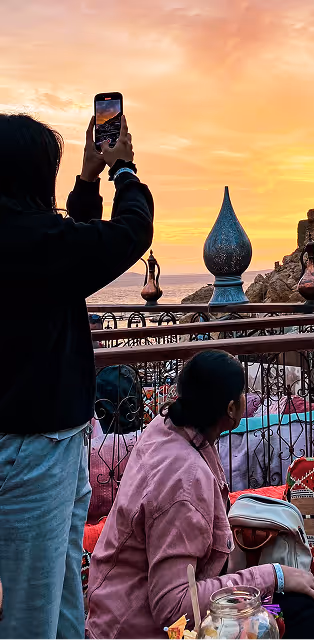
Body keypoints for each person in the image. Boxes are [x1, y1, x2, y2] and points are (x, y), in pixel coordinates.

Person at [0, 113, 154, 640]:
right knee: (32, 611)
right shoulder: (35, 241)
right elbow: (129, 231)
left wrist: (87, 181)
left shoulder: (34, 241)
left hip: (49, 443)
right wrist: (124, 169)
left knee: (63, 585)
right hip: (33, 450)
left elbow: (75, 244)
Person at [86, 350, 314, 640]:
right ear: (232, 409)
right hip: (136, 627)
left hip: (120, 610)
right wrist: (273, 576)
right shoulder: (183, 479)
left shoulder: (168, 426)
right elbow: (174, 606)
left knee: (305, 600)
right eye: (243, 393)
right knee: (313, 608)